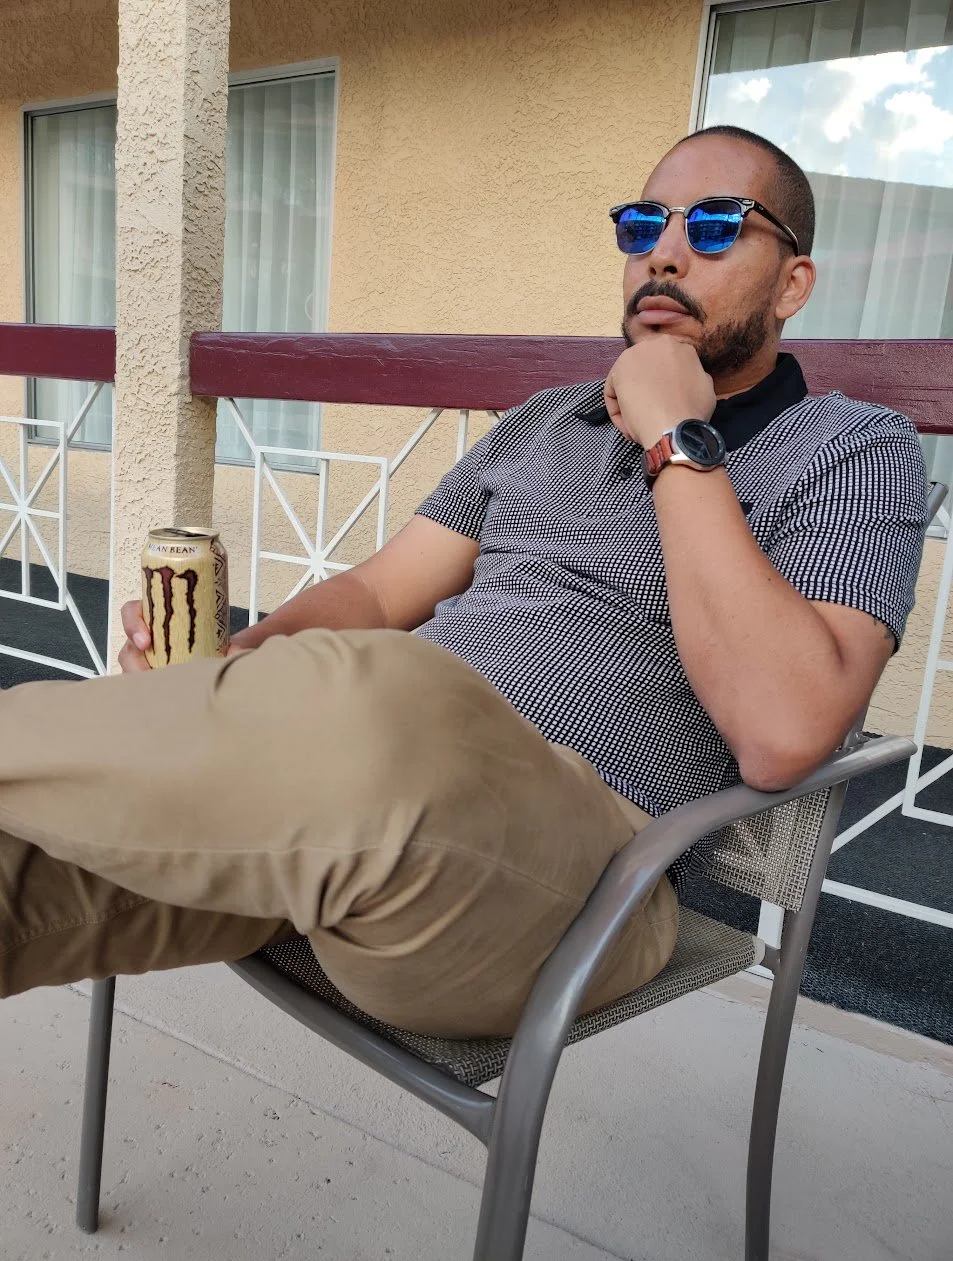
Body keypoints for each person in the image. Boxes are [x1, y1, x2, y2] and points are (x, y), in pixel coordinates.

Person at [0, 125, 927, 1038]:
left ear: (792, 283)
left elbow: (782, 733)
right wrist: (229, 676)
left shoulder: (851, 450)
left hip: (576, 887)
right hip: (356, 819)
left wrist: (672, 436)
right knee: (23, 867)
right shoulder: (541, 423)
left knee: (397, 685)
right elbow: (371, 596)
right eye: (642, 226)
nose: (666, 256)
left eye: (717, 226)